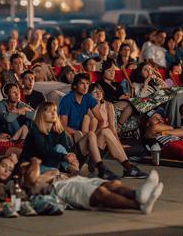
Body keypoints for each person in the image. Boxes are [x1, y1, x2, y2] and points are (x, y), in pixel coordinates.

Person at [58, 73, 147, 179]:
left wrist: (97, 134)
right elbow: (62, 127)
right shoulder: (67, 100)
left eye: (87, 83)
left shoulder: (88, 98)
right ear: (74, 86)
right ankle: (101, 168)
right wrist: (81, 135)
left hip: (89, 141)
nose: (86, 86)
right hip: (74, 145)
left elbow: (100, 120)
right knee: (90, 134)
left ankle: (128, 168)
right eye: (82, 83)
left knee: (106, 131)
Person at [21, 157, 163, 215]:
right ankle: (139, 205)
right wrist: (34, 161)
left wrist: (73, 166)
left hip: (72, 179)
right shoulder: (26, 183)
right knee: (99, 193)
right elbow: (32, 179)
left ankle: (138, 194)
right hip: (60, 188)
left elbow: (70, 171)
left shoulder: (47, 173)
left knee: (112, 184)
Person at [21, 102, 79, 173]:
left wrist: (71, 156)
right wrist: (64, 157)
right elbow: (43, 151)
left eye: (54, 110)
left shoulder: (59, 130)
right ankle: (73, 170)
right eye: (49, 111)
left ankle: (72, 169)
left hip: (51, 162)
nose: (53, 113)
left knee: (59, 147)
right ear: (41, 115)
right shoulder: (35, 130)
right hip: (34, 165)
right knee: (56, 169)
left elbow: (65, 148)